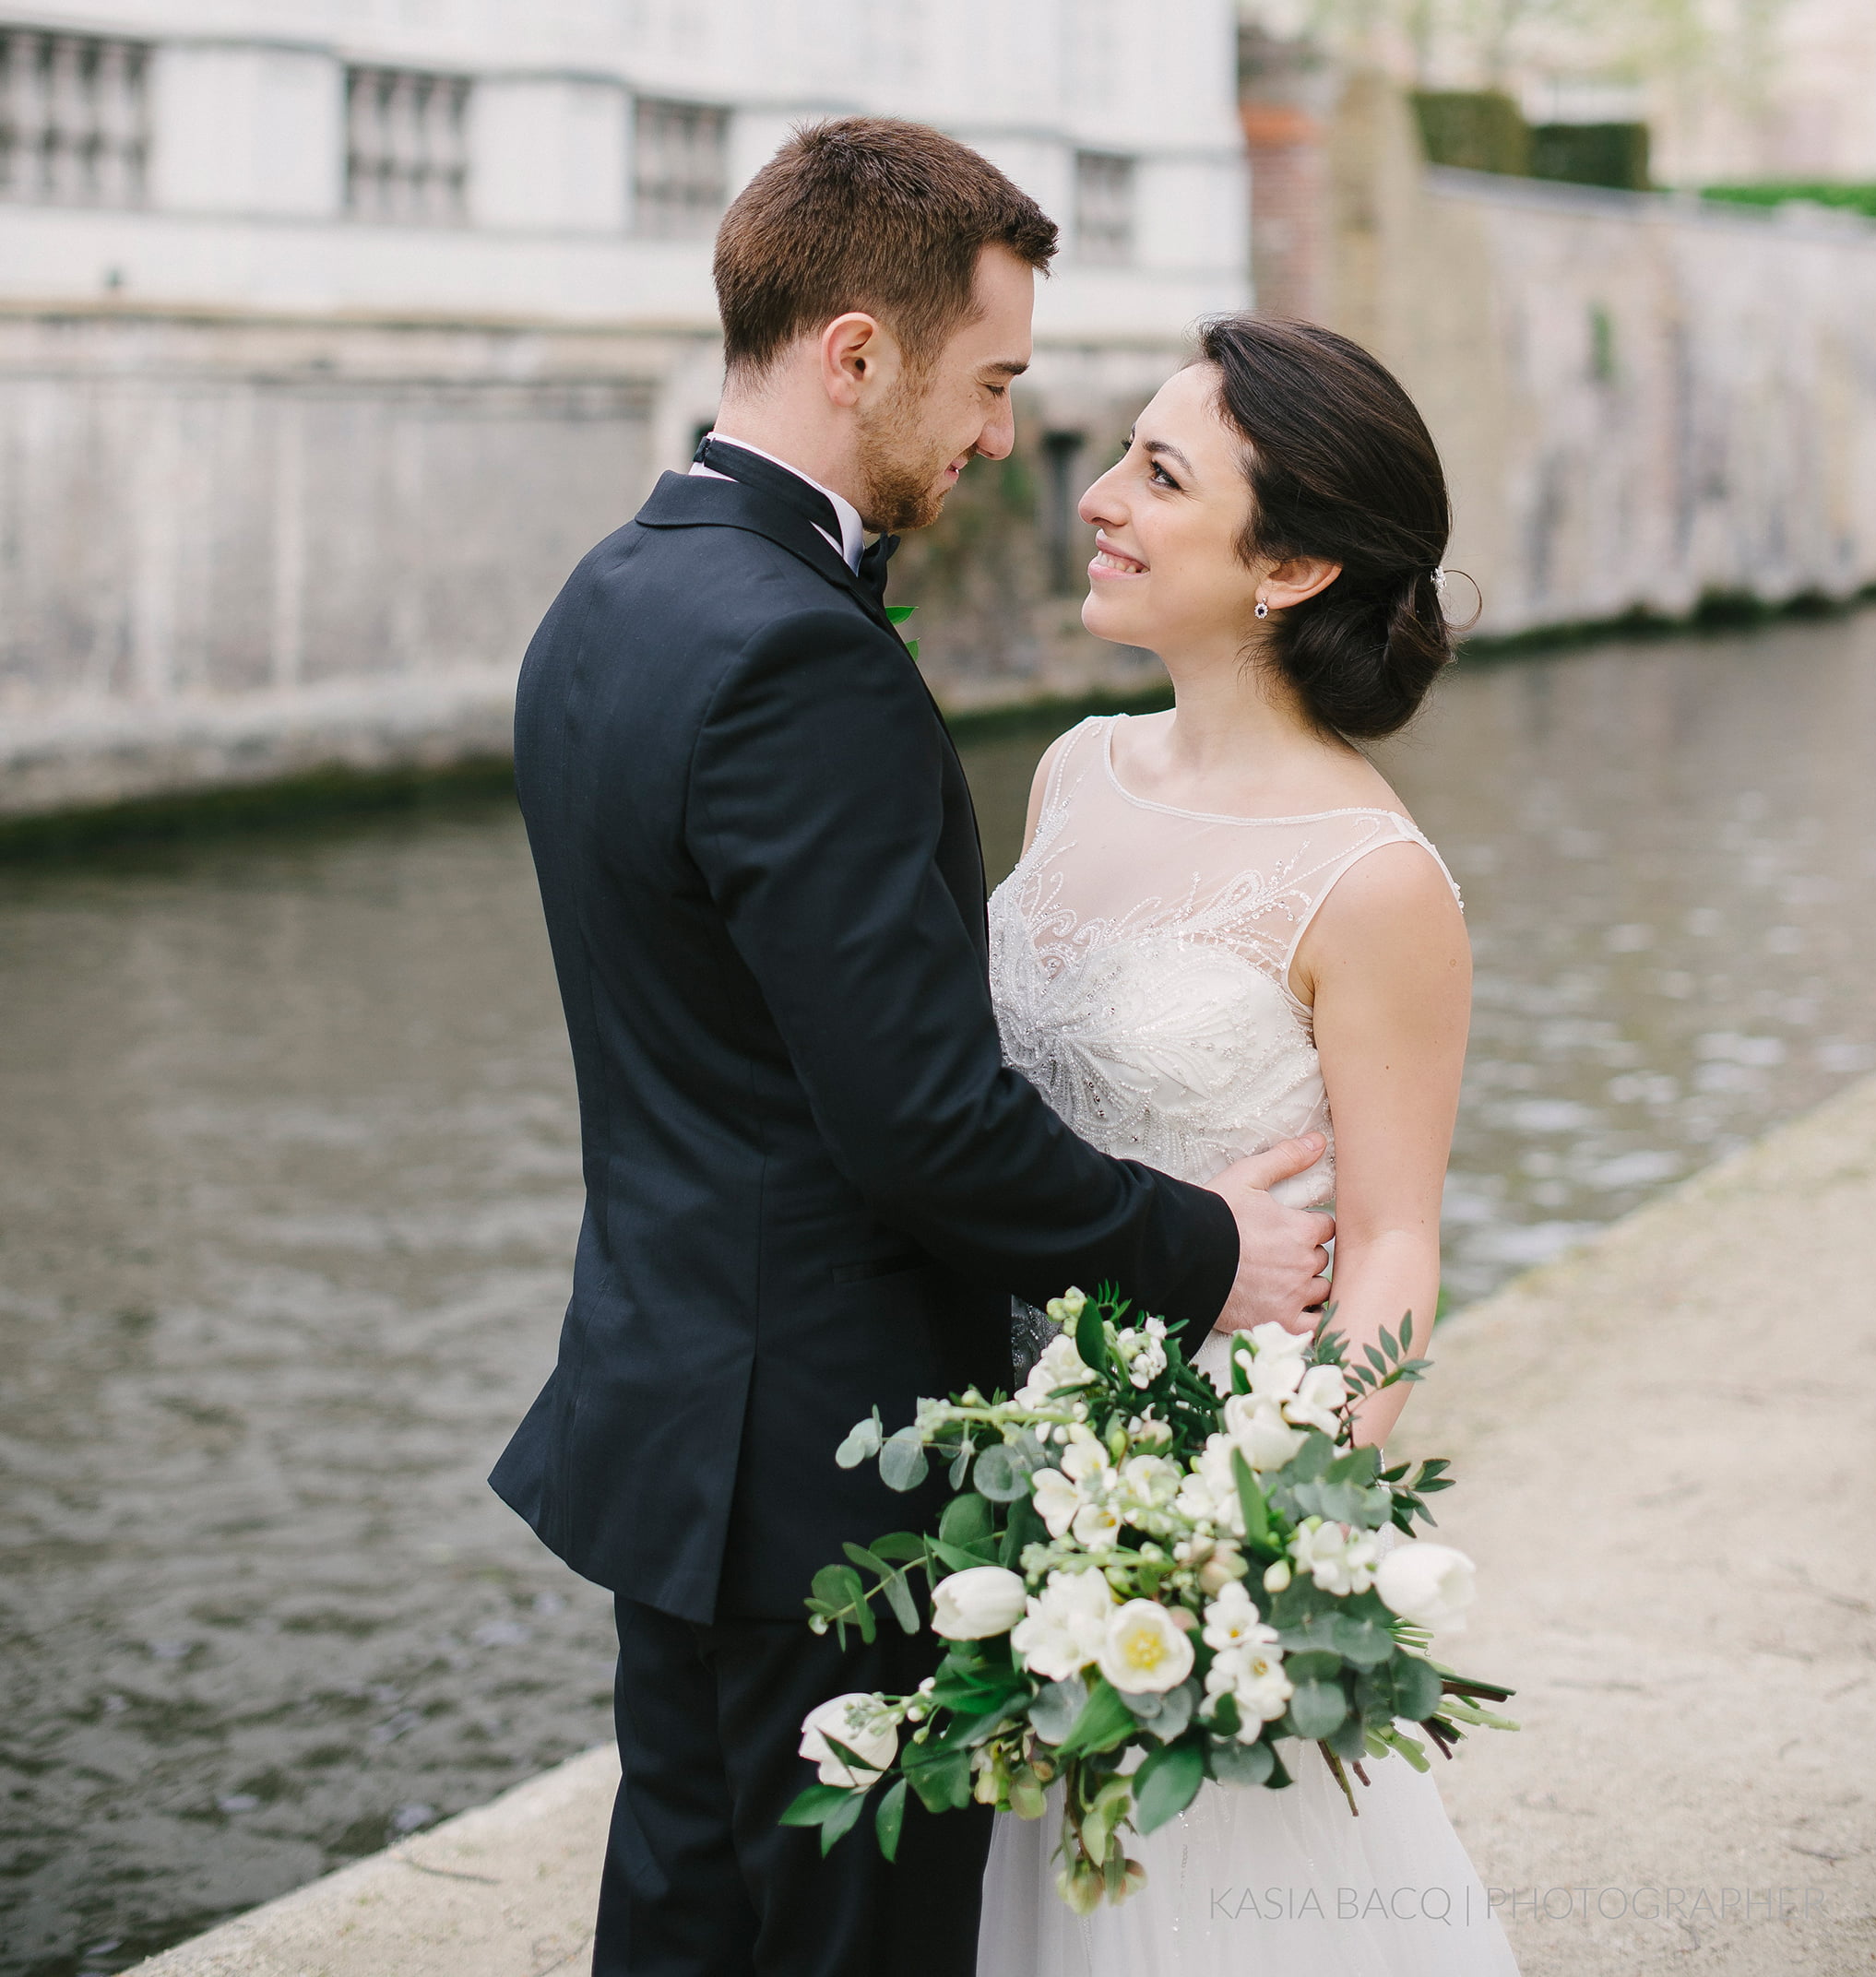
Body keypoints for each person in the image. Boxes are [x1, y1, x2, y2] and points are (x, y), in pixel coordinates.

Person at [489, 121, 1340, 1977]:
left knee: (688, 1923)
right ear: (856, 353)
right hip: (823, 1476)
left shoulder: (606, 598)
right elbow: (919, 1129)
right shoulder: (805, 659)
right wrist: (1206, 1246)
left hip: (672, 1415)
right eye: (991, 386)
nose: (994, 441)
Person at [975, 316, 1517, 1973]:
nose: (1098, 502)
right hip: (997, 1469)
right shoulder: (1073, 772)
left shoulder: (1374, 879)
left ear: (1285, 564)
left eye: (1158, 475)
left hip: (1196, 1493)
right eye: (1123, 459)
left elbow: (1399, 1239)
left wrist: (1277, 1534)